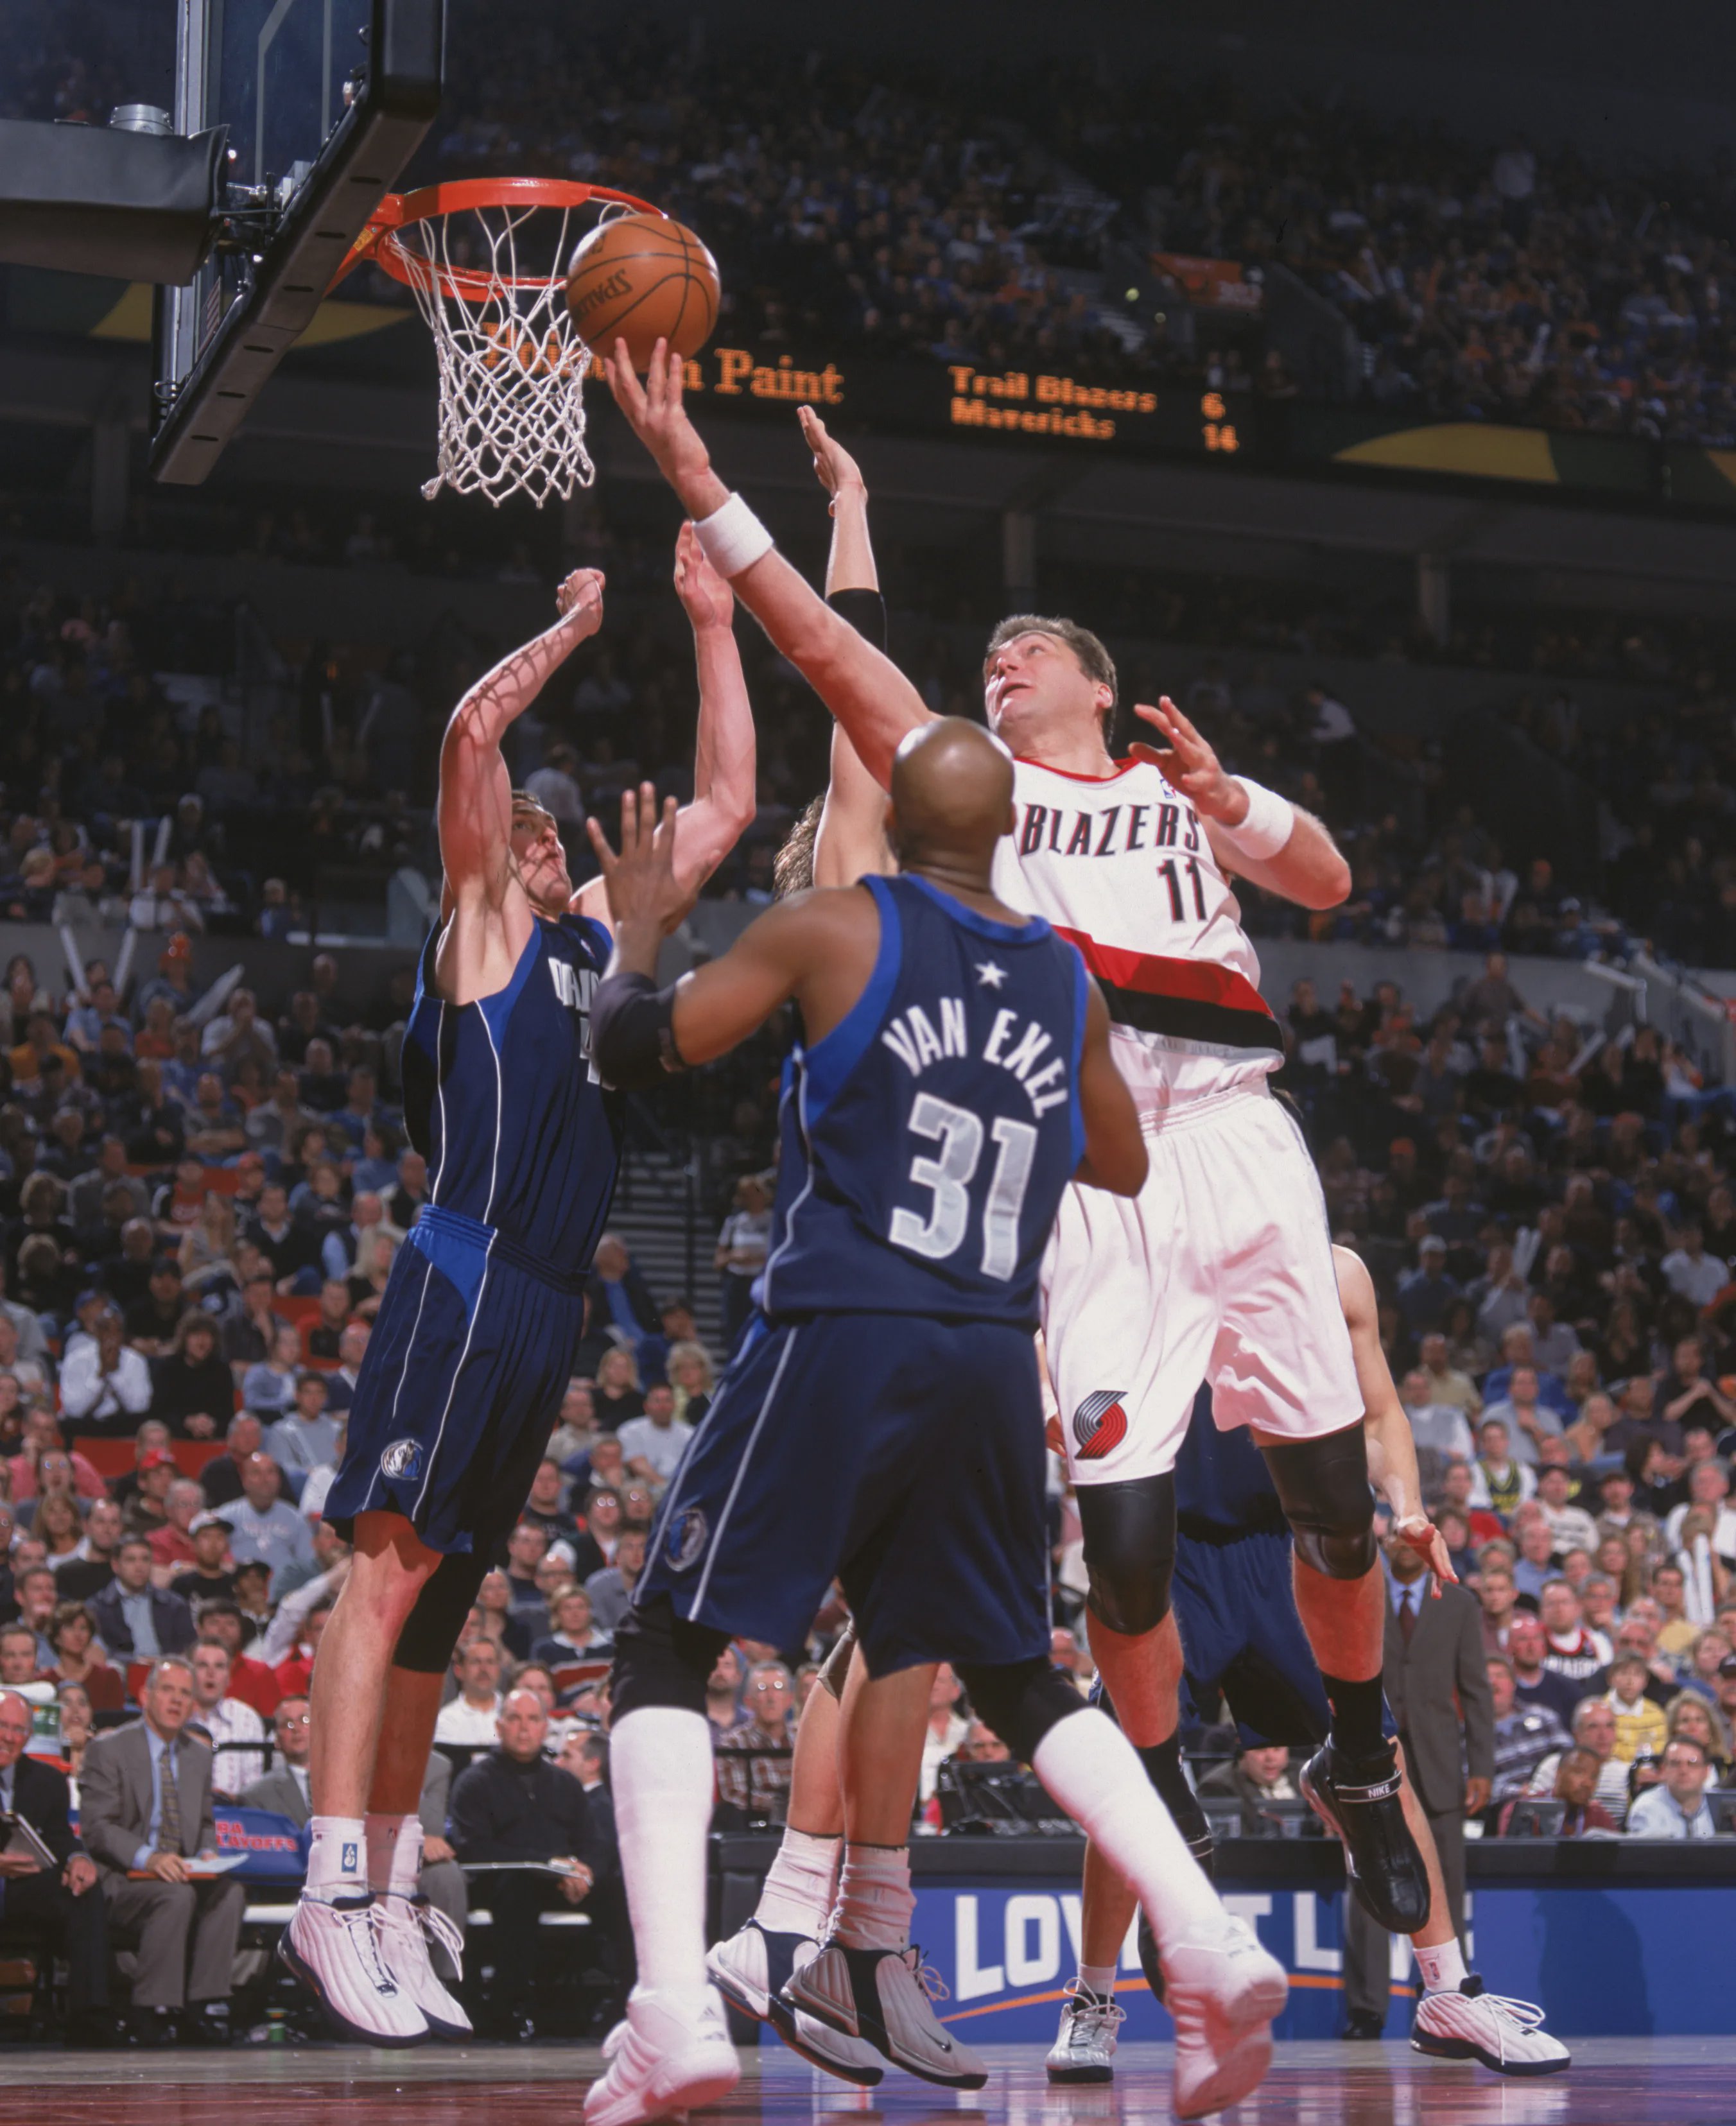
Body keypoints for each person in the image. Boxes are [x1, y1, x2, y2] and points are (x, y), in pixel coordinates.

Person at [605, 341, 1428, 1973]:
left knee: (1332, 1508)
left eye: (1029, 645)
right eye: (986, 654)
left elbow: (1329, 884)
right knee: (1120, 1562)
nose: (1000, 661)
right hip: (1106, 1169)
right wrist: (710, 483)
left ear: (1097, 684)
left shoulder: (1175, 785)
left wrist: (1236, 804)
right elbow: (831, 652)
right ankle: (1163, 1790)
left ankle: (1356, 1738)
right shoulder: (974, 812)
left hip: (1238, 1128)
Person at [584, 711, 1280, 2126]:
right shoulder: (1060, 977)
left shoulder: (832, 927)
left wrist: (640, 936)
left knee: (665, 1643)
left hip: (842, 1323)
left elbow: (646, 1049)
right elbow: (1123, 1161)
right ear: (1008, 833)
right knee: (1015, 1673)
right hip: (983, 1348)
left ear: (894, 824)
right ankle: (1201, 1933)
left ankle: (669, 2010)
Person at [283, 537, 753, 2048]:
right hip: (467, 1262)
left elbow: (729, 806)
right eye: (534, 831)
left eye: (566, 835)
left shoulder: (591, 947)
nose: (553, 839)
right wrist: (566, 627)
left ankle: (399, 1880)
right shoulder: (483, 927)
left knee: (441, 1616)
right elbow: (471, 738)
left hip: (548, 1302)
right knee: (387, 1568)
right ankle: (330, 1893)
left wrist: (712, 619)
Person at [1341, 1514, 1495, 2041]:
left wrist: (1483, 1768)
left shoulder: (1459, 1603)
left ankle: (1450, 2003)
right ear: (1383, 1541)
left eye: (1412, 1537)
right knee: (1366, 1891)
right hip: (1368, 1765)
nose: (1401, 1545)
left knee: (1447, 1891)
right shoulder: (1357, 1595)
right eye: (1394, 1536)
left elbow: (1476, 1692)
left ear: (1430, 1543)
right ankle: (1366, 2011)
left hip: (1440, 1769)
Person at [79, 1656, 246, 2042]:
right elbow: (97, 1828)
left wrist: (208, 1854)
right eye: (167, 1691)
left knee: (230, 1894)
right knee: (175, 1896)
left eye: (185, 1694)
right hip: (123, 1877)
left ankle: (204, 2006)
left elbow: (204, 1824)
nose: (176, 1701)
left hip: (182, 1872)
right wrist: (149, 1858)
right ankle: (153, 2010)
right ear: (145, 1696)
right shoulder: (110, 1750)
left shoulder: (198, 1756)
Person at [448, 1687, 603, 2037]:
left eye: (533, 1719)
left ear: (545, 1727)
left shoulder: (565, 1783)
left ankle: (618, 2007)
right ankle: (507, 2009)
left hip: (563, 1883)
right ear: (499, 1727)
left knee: (620, 1892)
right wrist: (550, 1865)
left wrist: (586, 1872)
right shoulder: (475, 1782)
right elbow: (474, 1849)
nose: (524, 1728)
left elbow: (592, 1842)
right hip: (501, 1887)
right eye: (515, 1719)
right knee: (518, 1890)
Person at [0, 1686, 110, 2041]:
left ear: (29, 1736)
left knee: (84, 1891)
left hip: (23, 1888)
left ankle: (88, 2018)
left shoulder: (47, 1781)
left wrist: (79, 1858)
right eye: (2, 1726)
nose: (9, 1737)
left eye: (18, 1730)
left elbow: (61, 1837)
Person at [91, 1535, 196, 1661]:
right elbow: (99, 1654)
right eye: (131, 1560)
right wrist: (136, 1661)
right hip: (122, 1672)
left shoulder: (174, 1604)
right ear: (115, 1565)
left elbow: (189, 1648)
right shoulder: (97, 1607)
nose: (139, 1567)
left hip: (166, 1669)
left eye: (145, 1560)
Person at [187, 1639, 268, 1797]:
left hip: (234, 1812)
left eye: (219, 1666)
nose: (211, 1674)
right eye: (203, 1665)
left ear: (229, 1677)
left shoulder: (246, 1718)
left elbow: (253, 1786)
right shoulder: (176, 1714)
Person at [1487, 1655, 1572, 1802]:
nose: (1493, 1682)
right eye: (1486, 1677)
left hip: (1554, 1794)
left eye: (1500, 1676)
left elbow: (1569, 1754)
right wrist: (1519, 1792)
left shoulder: (1543, 1715)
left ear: (1513, 1684)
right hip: (1505, 1805)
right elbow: (1471, 1784)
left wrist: (1550, 1787)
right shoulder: (1466, 1735)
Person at [1195, 1743, 1299, 1834]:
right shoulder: (1217, 1786)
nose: (1271, 1758)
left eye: (1277, 1749)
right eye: (1261, 1750)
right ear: (1243, 1752)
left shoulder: (1304, 1775)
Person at [1625, 1735, 1716, 1837]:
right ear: (1664, 1770)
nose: (1684, 1771)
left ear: (1706, 1771)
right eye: (1675, 1764)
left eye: (1692, 1763)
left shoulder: (1717, 1806)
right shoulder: (1646, 1808)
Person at [431, 1638, 505, 1748]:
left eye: (490, 1662)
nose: (484, 1669)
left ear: (499, 1670)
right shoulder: (445, 1721)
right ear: (459, 1671)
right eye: (476, 1662)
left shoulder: (517, 1715)